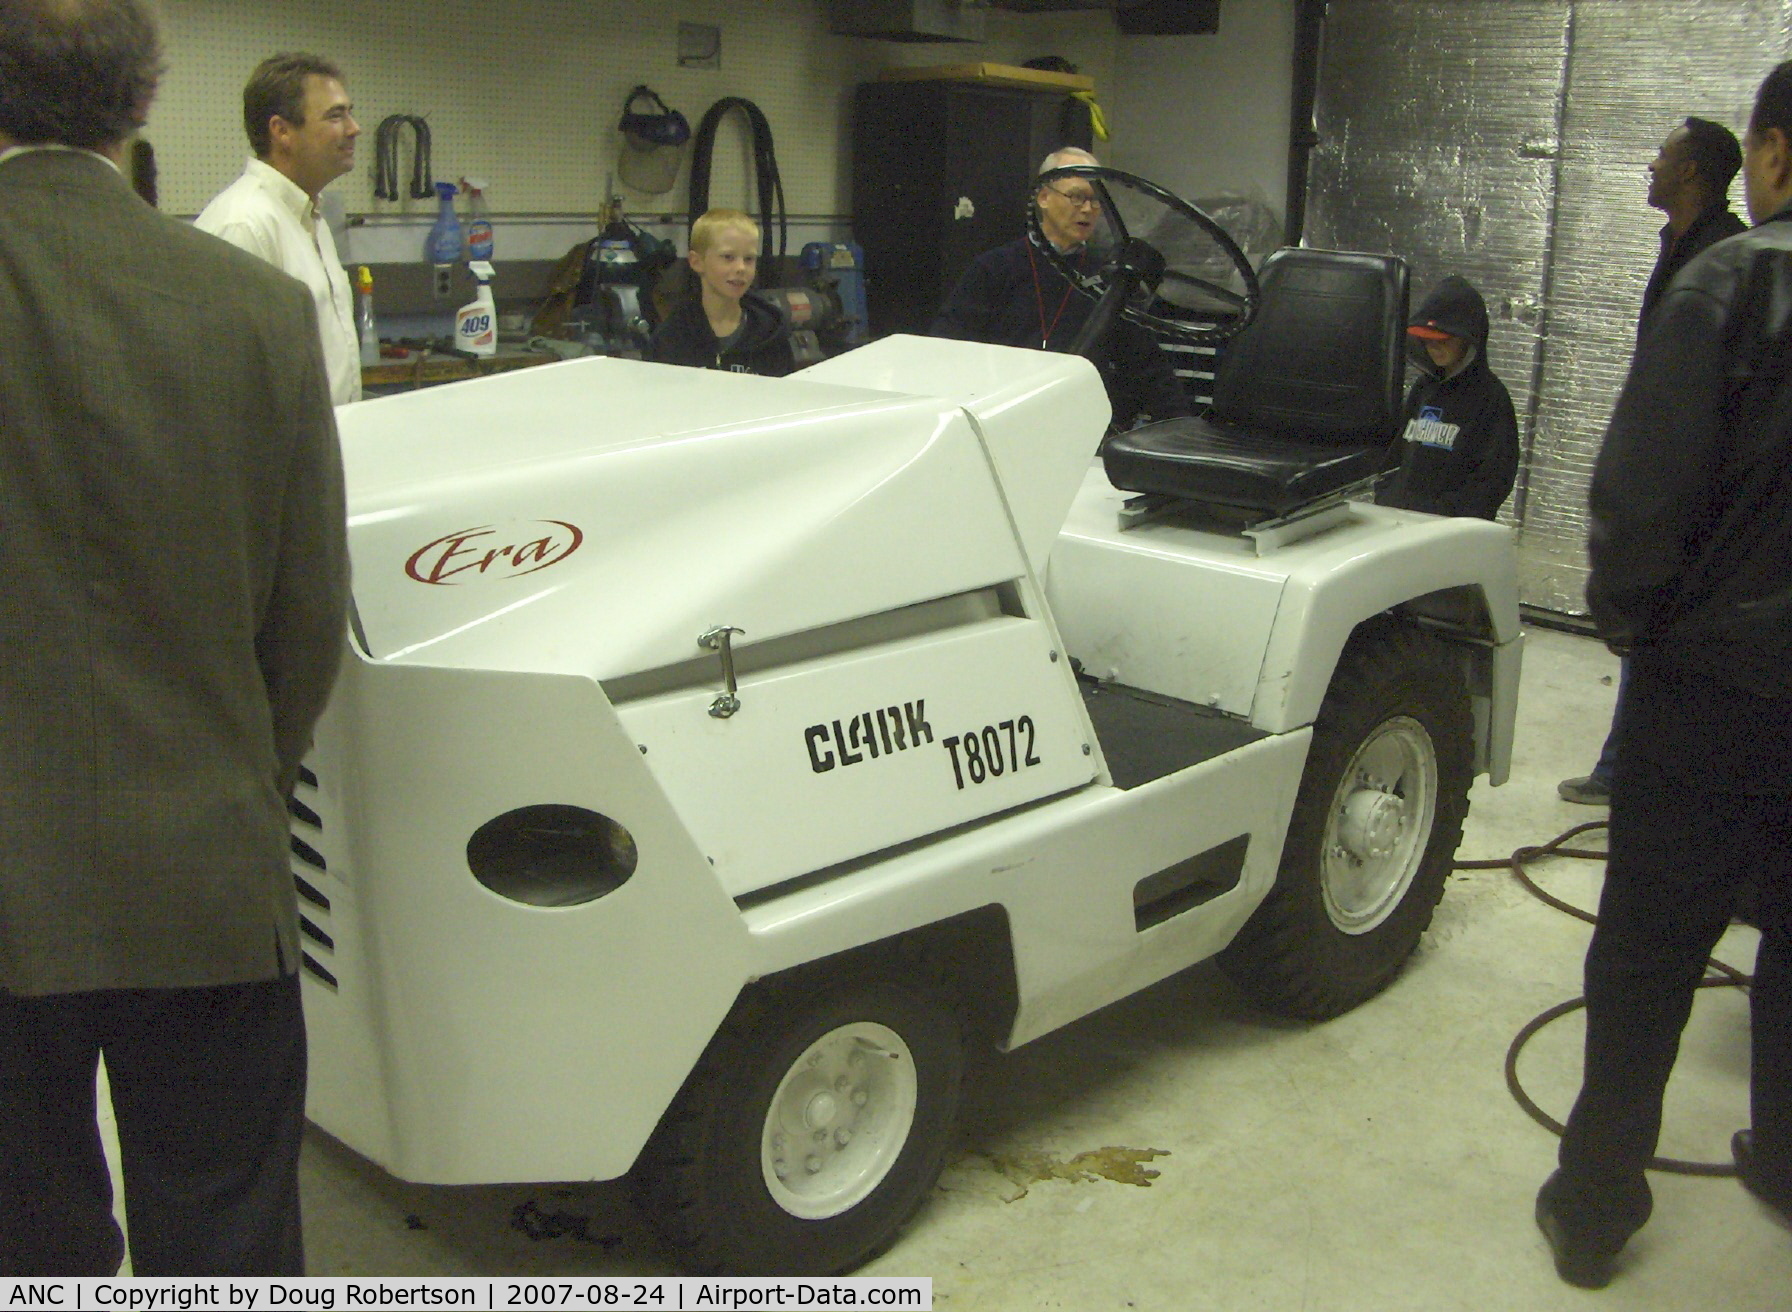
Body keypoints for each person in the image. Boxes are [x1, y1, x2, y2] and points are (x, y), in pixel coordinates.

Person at [0, 0, 350, 1277]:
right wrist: (238, 775)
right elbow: (309, 615)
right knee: (225, 1233)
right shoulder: (253, 309)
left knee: (25, 1246)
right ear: (145, 102)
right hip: (206, 860)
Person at [1533, 63, 1792, 1290]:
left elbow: (1641, 498)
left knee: (1645, 951)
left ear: (1774, 156)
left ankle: (1592, 1209)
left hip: (1720, 688)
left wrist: (1635, 631)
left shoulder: (1735, 282)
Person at [1558, 115, 1747, 806]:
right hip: (1678, 472)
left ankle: (1644, 781)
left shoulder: (1725, 255)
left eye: (1662, 154)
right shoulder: (1684, 245)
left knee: (1668, 629)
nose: (1651, 163)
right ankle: (1624, 772)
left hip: (1696, 487)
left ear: (1692, 171)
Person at [929, 147, 1190, 431]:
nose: (1088, 209)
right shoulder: (994, 268)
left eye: (1096, 200)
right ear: (1043, 197)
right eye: (1077, 197)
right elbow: (947, 348)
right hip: (998, 419)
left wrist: (1181, 430)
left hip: (1079, 425)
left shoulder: (1111, 278)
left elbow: (1147, 365)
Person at [196, 52, 363, 406]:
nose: (354, 128)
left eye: (349, 112)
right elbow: (223, 381)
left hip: (330, 444)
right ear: (282, 131)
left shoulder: (310, 219)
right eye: (336, 115)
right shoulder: (243, 226)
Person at [1378, 275, 1519, 520]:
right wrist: (1387, 497)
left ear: (1468, 339)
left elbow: (1496, 475)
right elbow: (1394, 452)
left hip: (1452, 534)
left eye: (1443, 340)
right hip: (1400, 522)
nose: (1434, 349)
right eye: (1427, 340)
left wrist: (1457, 518)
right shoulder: (1423, 389)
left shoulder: (1491, 398)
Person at [646, 208, 795, 376]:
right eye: (728, 257)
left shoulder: (772, 335)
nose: (740, 268)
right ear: (696, 262)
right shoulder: (671, 338)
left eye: (749, 259)